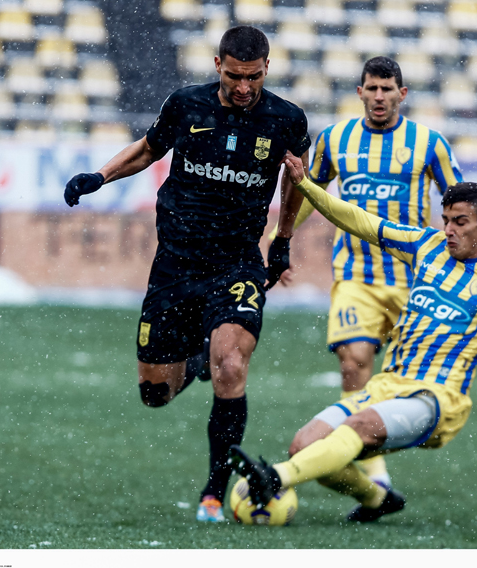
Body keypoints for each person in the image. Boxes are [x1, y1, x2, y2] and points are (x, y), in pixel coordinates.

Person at [228, 152, 477, 523]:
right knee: (304, 446)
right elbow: (359, 220)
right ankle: (377, 498)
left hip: (437, 397)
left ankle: (274, 477)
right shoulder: (427, 246)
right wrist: (305, 185)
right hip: (388, 385)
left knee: (357, 428)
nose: (449, 230)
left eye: (460, 222)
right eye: (446, 220)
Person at [62, 26, 311, 522]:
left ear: (267, 68)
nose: (244, 87)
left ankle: (214, 492)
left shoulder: (286, 119)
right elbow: (148, 148)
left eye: (254, 77)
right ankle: (197, 360)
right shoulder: (186, 104)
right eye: (235, 76)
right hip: (175, 264)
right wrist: (99, 176)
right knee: (155, 393)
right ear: (218, 65)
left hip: (236, 263)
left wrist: (282, 241)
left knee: (232, 366)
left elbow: (295, 177)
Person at [271, 56, 464, 488]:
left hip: (414, 282)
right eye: (371, 88)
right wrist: (278, 238)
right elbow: (310, 193)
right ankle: (374, 472)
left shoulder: (429, 143)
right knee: (354, 362)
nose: (379, 96)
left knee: (410, 379)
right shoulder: (335, 139)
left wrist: (465, 253)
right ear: (359, 92)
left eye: (386, 89)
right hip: (356, 275)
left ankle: (373, 440)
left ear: (402, 94)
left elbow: (458, 203)